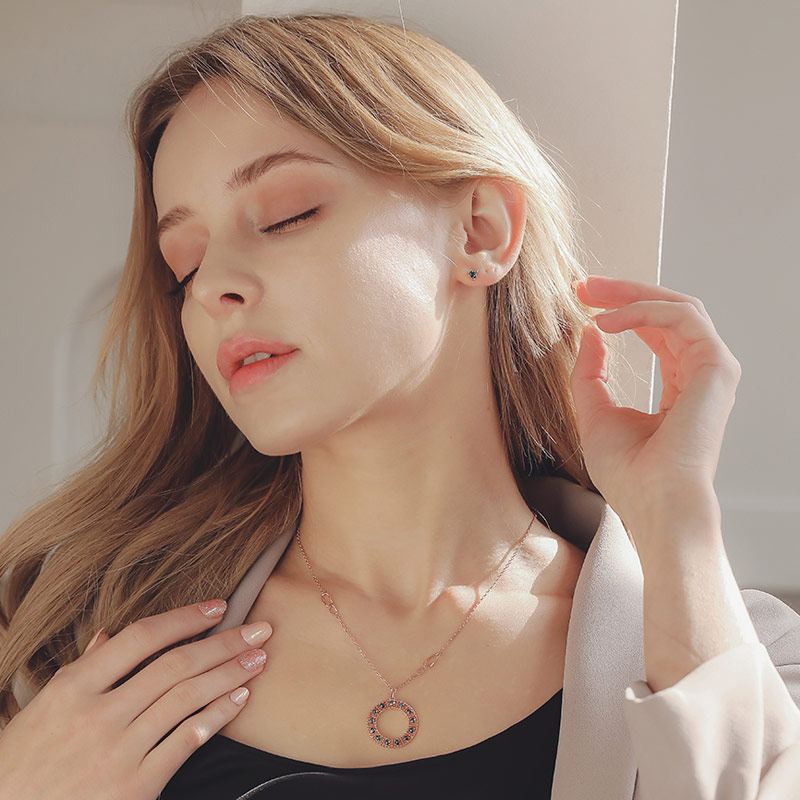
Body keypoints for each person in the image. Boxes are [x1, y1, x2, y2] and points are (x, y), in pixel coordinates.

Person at [0, 12, 798, 800]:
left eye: (285, 215)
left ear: (480, 231)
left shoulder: (741, 658)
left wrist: (674, 522)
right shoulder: (70, 642)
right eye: (185, 264)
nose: (212, 289)